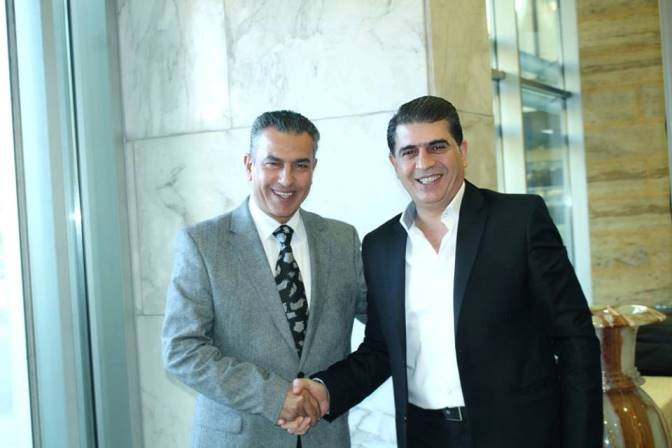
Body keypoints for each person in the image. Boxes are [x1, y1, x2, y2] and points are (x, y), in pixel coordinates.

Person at [288, 96, 603, 448]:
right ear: (394, 163)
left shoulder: (519, 221)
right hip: (425, 435)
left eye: (437, 147)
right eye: (409, 152)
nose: (424, 162)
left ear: (462, 151)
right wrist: (326, 390)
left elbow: (576, 339)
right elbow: (381, 348)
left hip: (519, 433)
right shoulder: (380, 246)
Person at [162, 110, 367, 448]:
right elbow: (181, 350)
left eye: (300, 165)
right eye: (273, 163)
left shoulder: (342, 240)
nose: (287, 179)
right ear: (249, 165)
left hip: (325, 439)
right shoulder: (203, 244)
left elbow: (385, 329)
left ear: (314, 168)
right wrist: (273, 396)